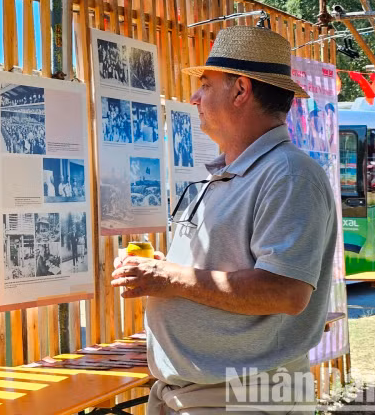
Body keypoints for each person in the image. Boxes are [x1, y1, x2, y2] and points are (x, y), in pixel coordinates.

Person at [111, 26, 336, 414]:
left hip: (243, 398)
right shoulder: (229, 174)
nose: (193, 97)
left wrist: (167, 278)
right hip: (206, 394)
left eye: (204, 83)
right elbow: (217, 271)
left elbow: (286, 292)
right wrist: (162, 269)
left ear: (240, 90)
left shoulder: (289, 173)